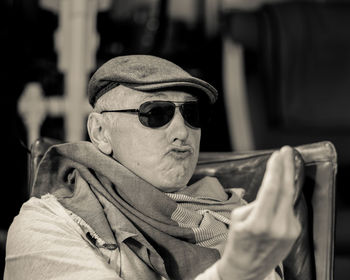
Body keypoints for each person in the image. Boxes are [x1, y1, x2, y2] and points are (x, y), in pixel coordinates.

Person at [4, 55, 300, 280]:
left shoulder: (234, 217)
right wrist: (231, 272)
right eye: (155, 113)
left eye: (191, 113)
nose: (181, 131)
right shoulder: (48, 223)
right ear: (100, 133)